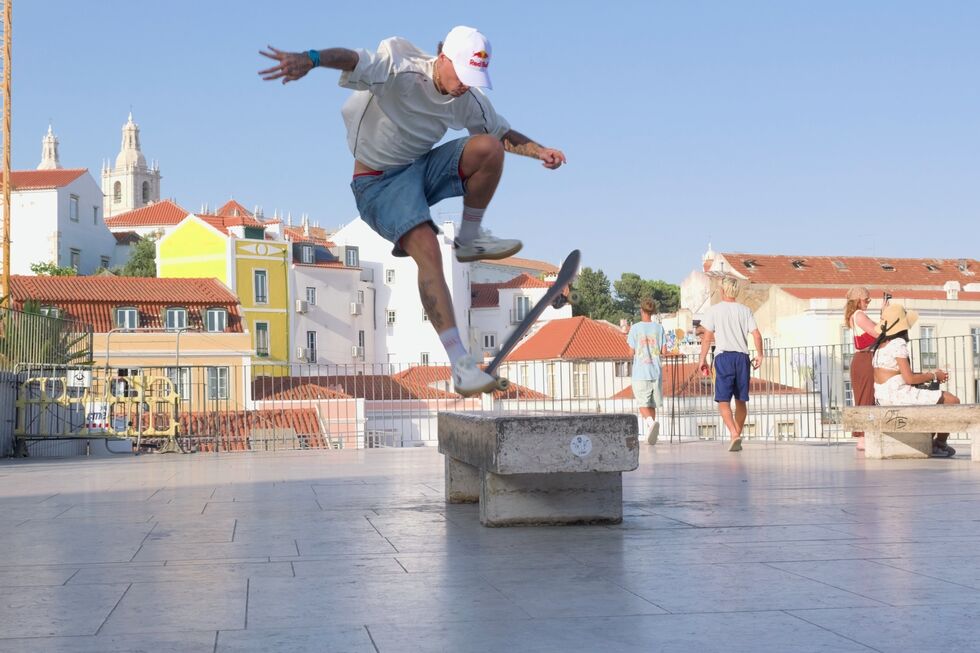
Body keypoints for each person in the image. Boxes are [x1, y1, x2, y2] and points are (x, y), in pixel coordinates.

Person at [258, 27, 566, 396]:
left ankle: (470, 237)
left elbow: (501, 133)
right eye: (462, 76)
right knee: (428, 248)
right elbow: (353, 58)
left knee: (487, 147)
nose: (465, 86)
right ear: (443, 57)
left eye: (474, 79)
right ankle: (462, 366)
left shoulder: (469, 98)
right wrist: (311, 58)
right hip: (377, 182)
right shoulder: (398, 66)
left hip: (421, 168)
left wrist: (540, 151)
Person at [872, 303, 960, 457]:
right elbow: (909, 378)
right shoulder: (898, 343)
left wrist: (928, 374)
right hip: (898, 396)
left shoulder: (880, 345)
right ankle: (939, 444)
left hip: (883, 396)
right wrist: (934, 376)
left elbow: (897, 373)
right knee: (952, 400)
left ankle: (931, 440)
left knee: (934, 399)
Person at [697, 277, 763, 452]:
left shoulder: (714, 310)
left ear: (722, 290)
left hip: (723, 357)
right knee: (741, 400)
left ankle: (734, 434)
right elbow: (756, 335)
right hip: (742, 358)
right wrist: (761, 355)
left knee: (723, 400)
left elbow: (707, 337)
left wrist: (702, 359)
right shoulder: (745, 310)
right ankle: (736, 435)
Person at [843, 287, 880, 450]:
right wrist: (885, 318)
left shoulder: (853, 316)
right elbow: (876, 333)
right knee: (867, 397)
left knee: (862, 397)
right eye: (867, 300)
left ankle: (862, 437)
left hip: (859, 359)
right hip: (865, 359)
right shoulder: (859, 315)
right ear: (858, 300)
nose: (868, 303)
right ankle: (863, 438)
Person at [627, 297, 667, 445]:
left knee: (642, 403)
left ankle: (650, 424)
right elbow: (664, 350)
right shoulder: (659, 328)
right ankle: (652, 435)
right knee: (652, 404)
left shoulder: (635, 328)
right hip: (656, 371)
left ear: (641, 310)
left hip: (641, 371)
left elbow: (630, 352)